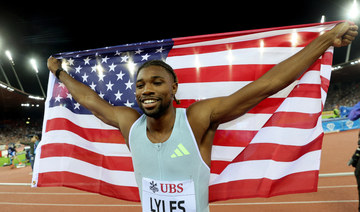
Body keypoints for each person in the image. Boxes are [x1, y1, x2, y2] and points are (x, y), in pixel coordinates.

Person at [47, 22, 358, 212]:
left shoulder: (196, 119)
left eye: (157, 82)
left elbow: (267, 85)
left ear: (174, 88)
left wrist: (325, 40)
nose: (147, 90)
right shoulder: (131, 124)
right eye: (140, 85)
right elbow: (90, 99)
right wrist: (59, 72)